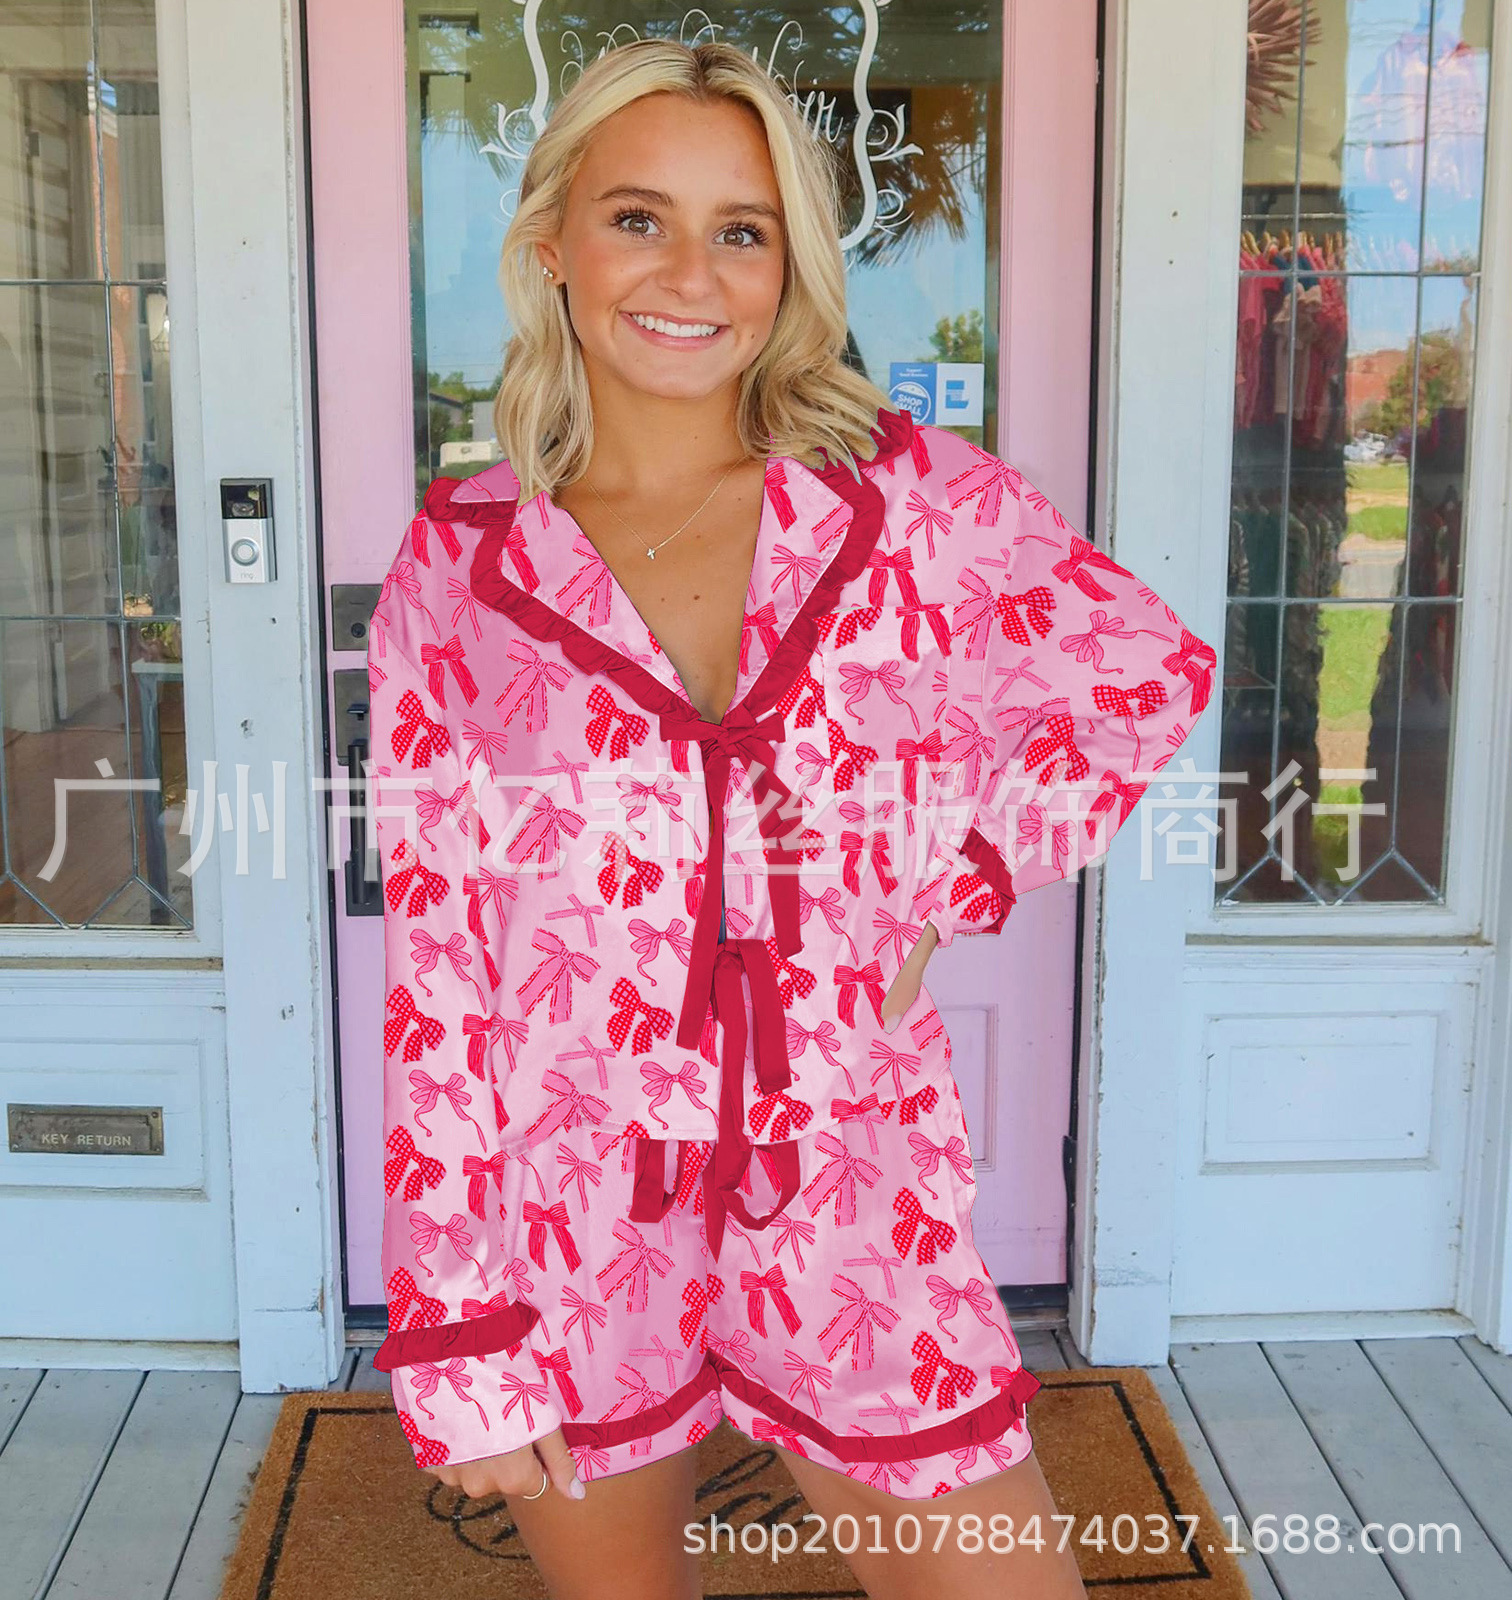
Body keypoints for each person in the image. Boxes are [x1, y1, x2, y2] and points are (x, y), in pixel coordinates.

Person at [367, 37, 1214, 1600]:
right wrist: (459, 1324)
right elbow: (440, 965)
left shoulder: (910, 505)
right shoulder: (466, 567)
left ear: (788, 271)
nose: (691, 273)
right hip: (572, 1217)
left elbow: (1139, 674)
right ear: (552, 245)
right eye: (639, 218)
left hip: (848, 1188)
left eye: (742, 230)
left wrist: (959, 881)